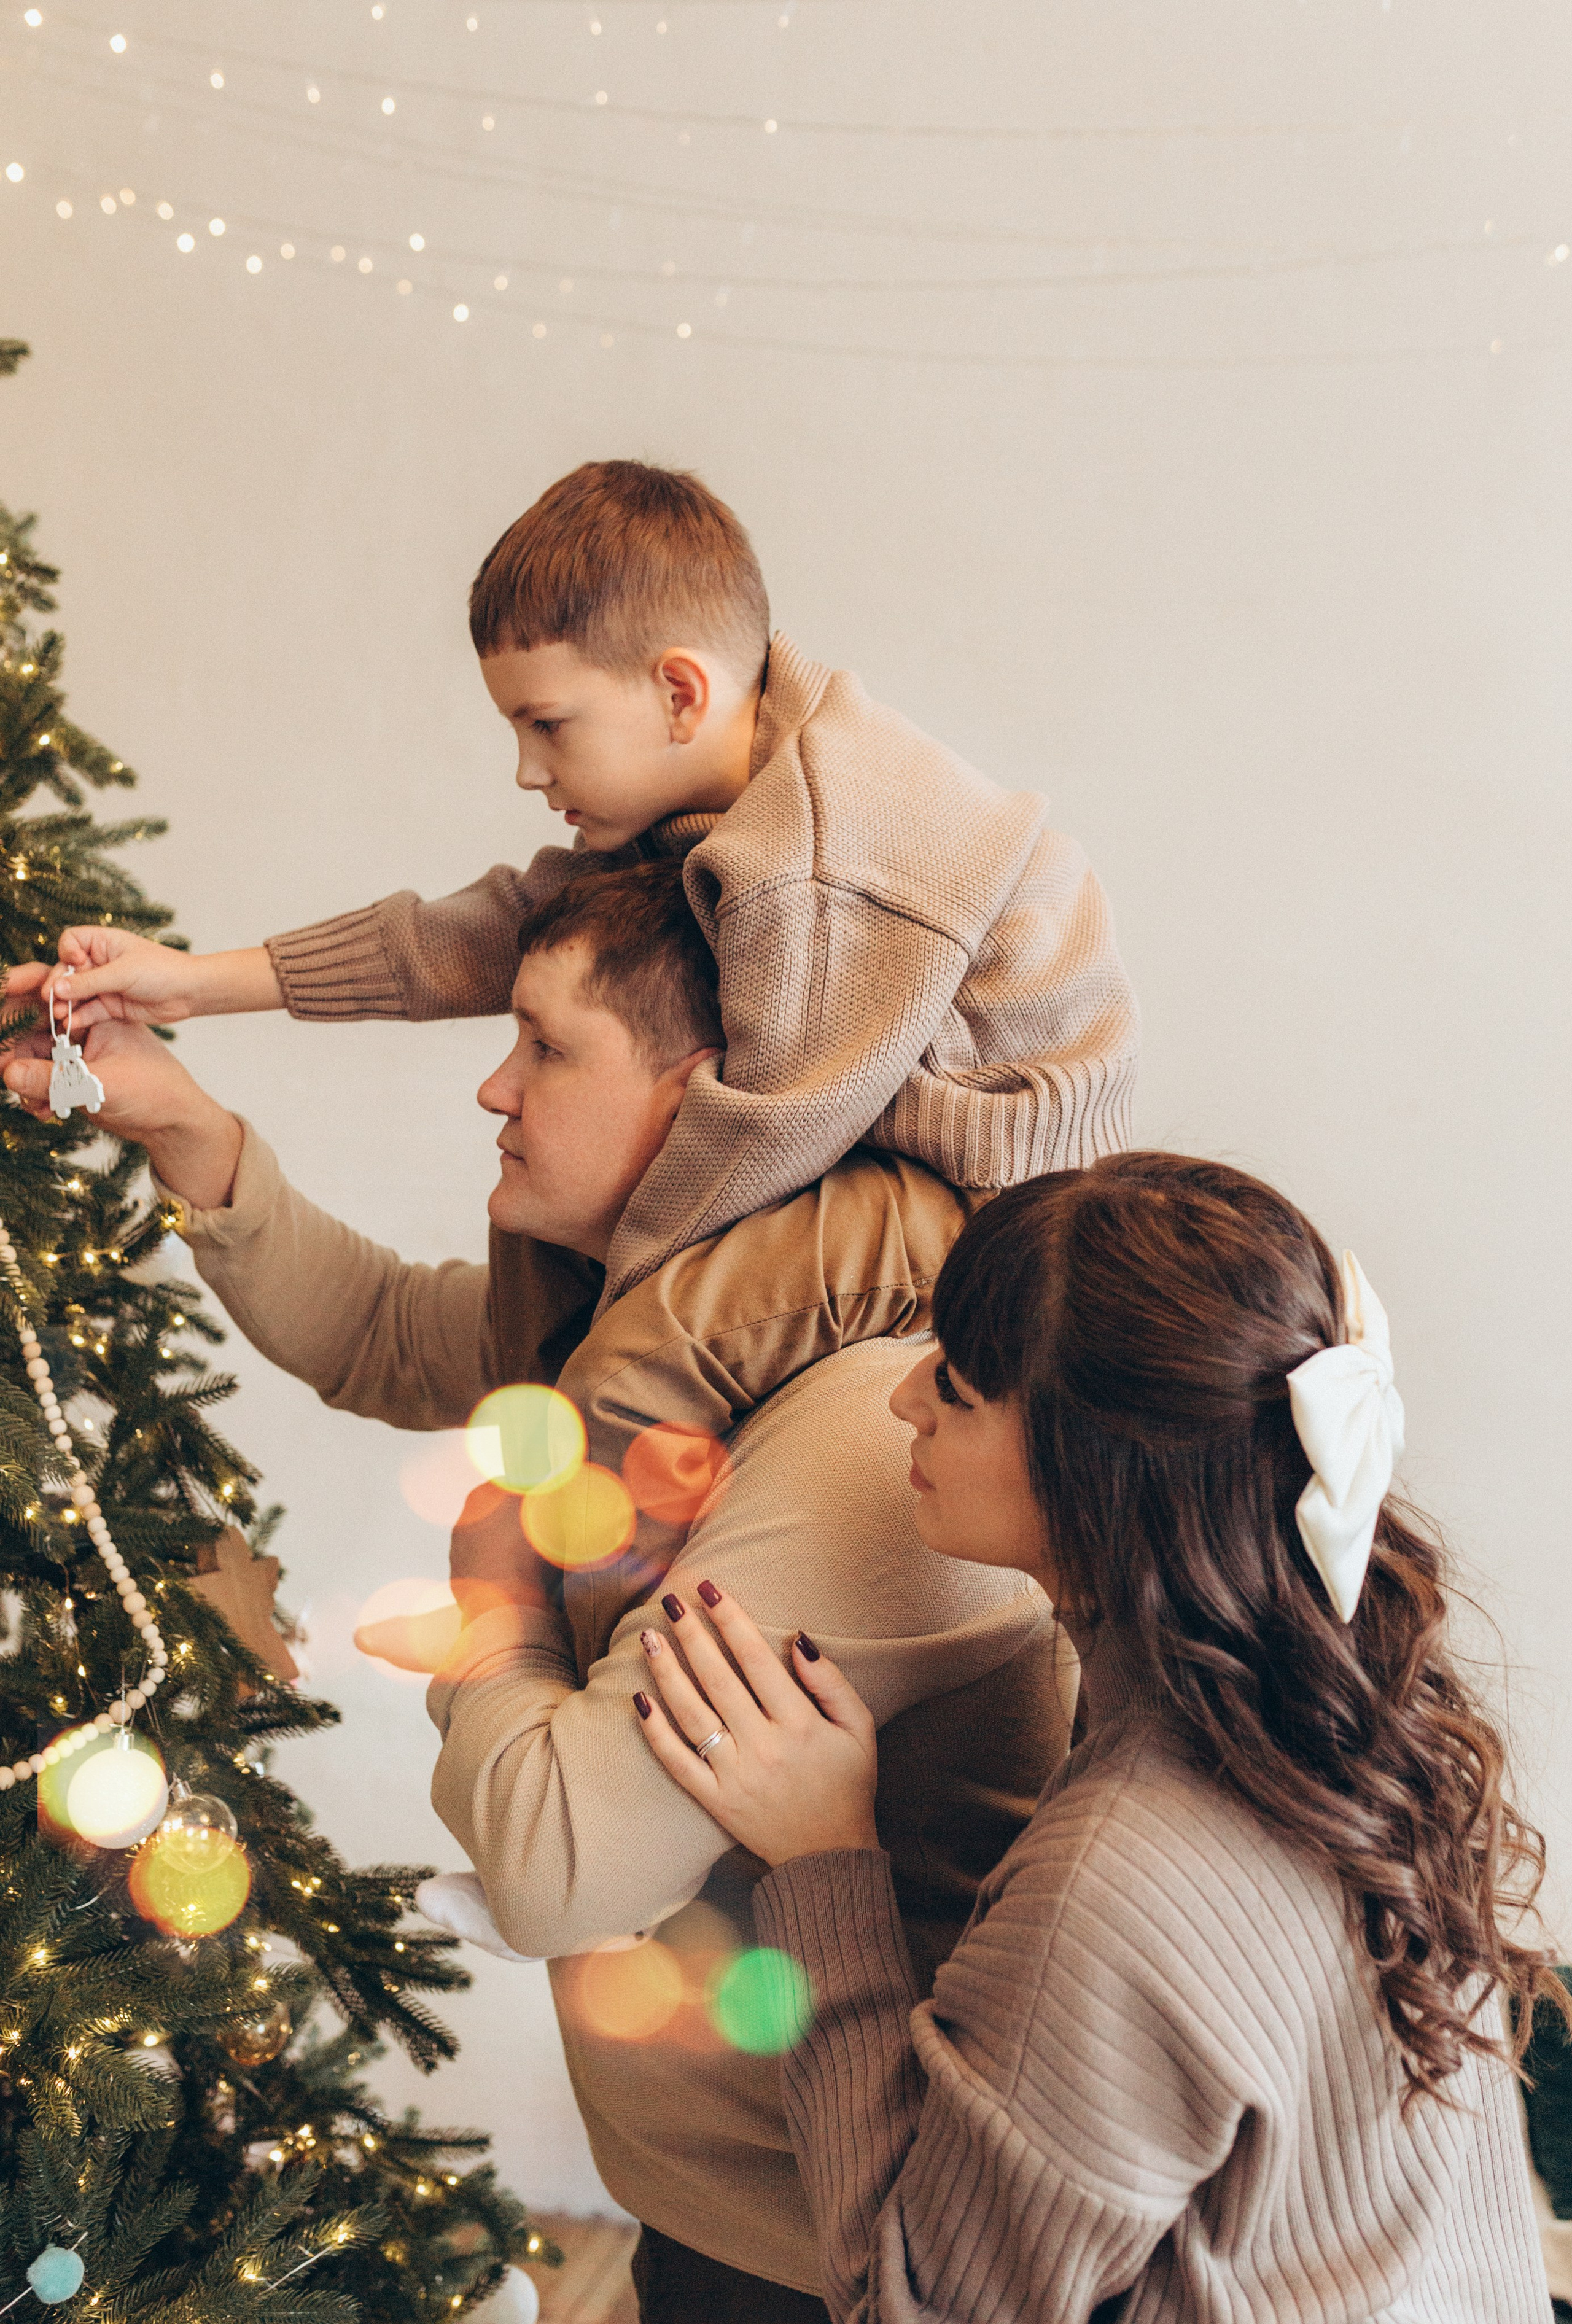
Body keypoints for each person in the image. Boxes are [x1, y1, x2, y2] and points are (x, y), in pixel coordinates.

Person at [1, 871, 1073, 2323]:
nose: (496, 1090)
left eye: (547, 1048)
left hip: (832, 2254)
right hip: (728, 2213)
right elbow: (386, 1331)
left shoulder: (855, 1444)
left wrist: (491, 1602)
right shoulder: (652, 1328)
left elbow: (559, 1866)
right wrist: (182, 1123)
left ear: (709, 1105)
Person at [635, 1153, 1561, 2323]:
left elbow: (909, 2307)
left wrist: (826, 1860)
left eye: (960, 1388)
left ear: (1097, 1470)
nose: (901, 1399)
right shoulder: (1365, 1698)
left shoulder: (1114, 1879)